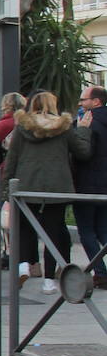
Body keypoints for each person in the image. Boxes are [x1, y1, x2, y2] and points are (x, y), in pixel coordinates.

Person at [3, 90, 90, 293]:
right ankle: (49, 281)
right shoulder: (64, 127)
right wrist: (84, 130)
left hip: (25, 186)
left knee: (24, 228)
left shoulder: (21, 127)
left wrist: (5, 190)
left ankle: (23, 265)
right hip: (57, 188)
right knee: (53, 233)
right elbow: (83, 152)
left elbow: (12, 160)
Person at [72, 85, 107, 290]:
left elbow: (82, 153)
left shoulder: (88, 121)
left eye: (83, 100)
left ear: (96, 102)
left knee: (86, 230)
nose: (80, 104)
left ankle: (101, 272)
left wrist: (81, 131)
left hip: (87, 184)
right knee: (103, 230)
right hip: (105, 186)